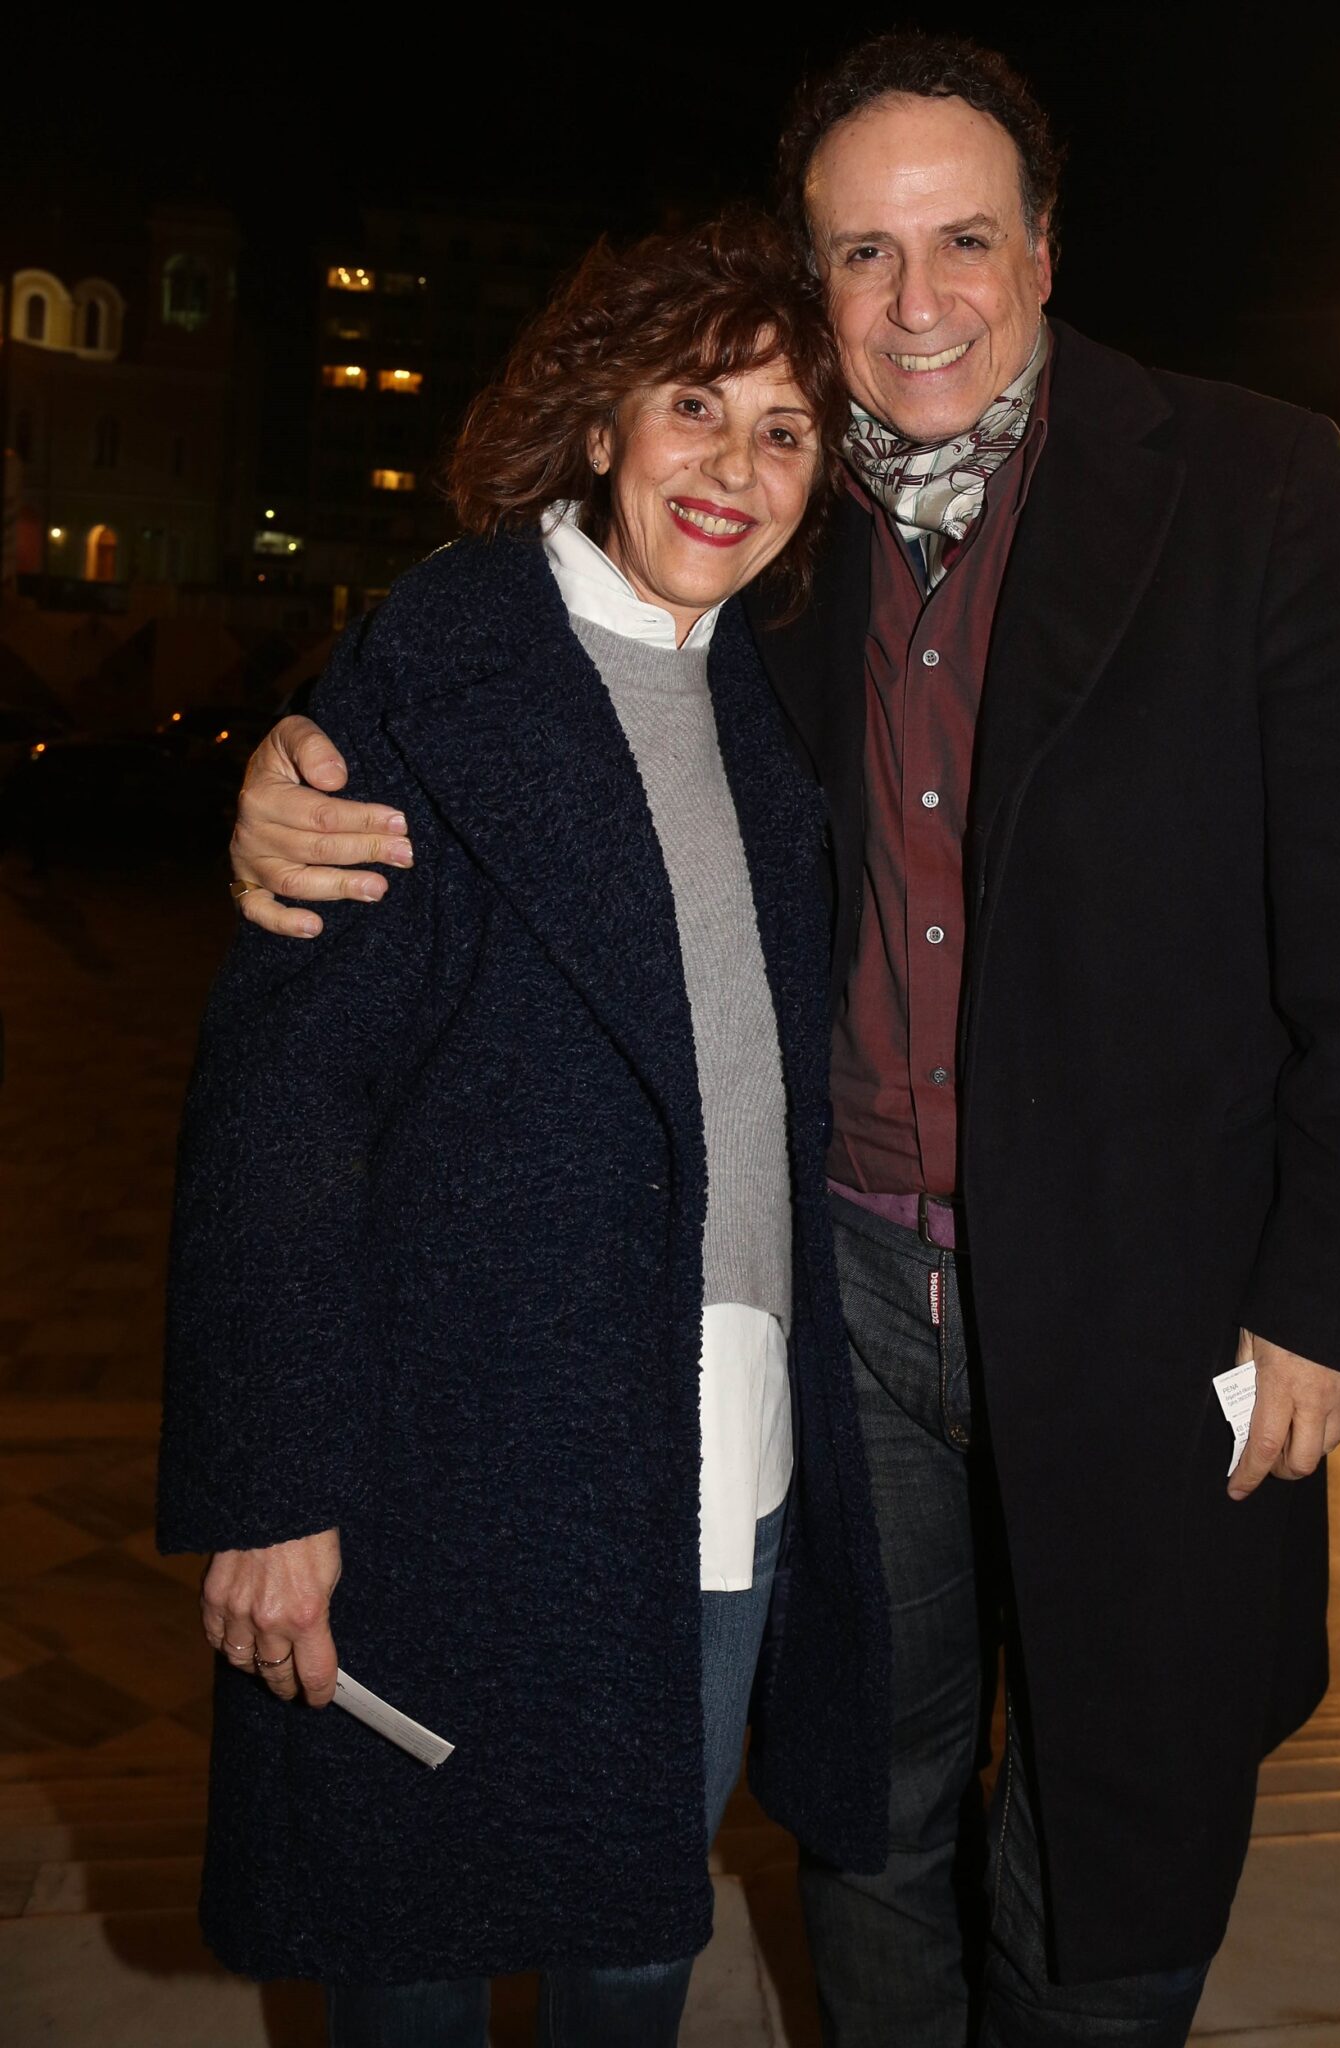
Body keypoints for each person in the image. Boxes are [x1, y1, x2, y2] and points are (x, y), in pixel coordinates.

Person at [226, 33, 1340, 2048]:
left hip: (1157, 1298)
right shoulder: (774, 536)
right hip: (846, 1289)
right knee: (867, 1797)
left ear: (1044, 251)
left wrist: (1335, 1302)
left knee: (1122, 1803)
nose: (917, 299)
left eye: (964, 239)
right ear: (813, 280)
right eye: (863, 253)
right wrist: (295, 763)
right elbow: (539, 679)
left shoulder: (1252, 481)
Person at [157, 214, 891, 2048]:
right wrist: (270, 1492)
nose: (734, 468)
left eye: (785, 432)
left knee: (635, 1943)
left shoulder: (768, 694)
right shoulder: (438, 666)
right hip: (460, 1462)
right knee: (410, 1944)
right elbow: (281, 1106)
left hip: (724, 1450)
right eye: (694, 405)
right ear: (602, 418)